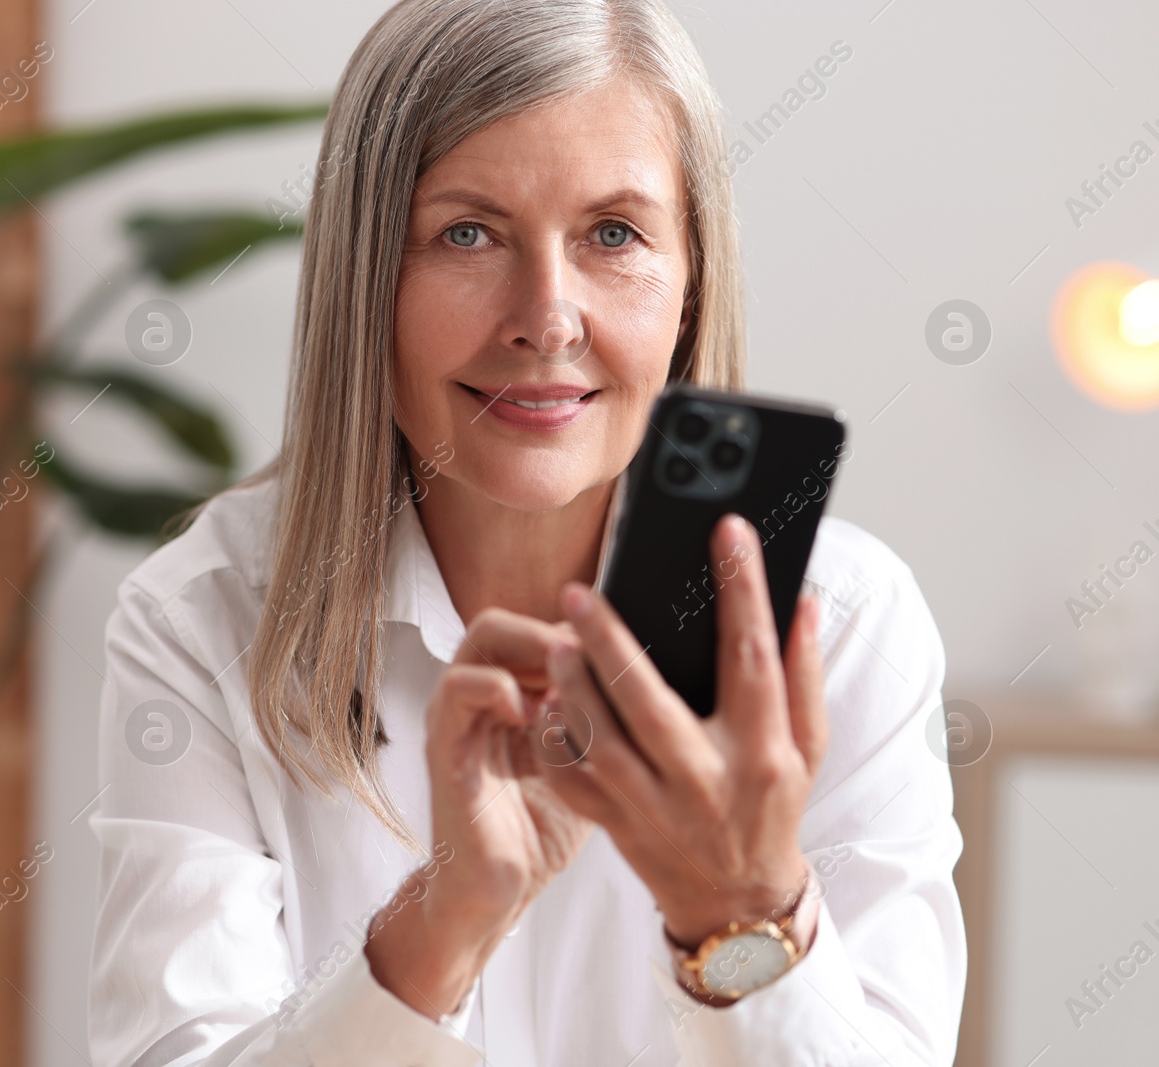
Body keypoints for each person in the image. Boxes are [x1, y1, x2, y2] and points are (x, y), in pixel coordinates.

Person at [86, 0, 965, 1063]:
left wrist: (737, 911)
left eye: (613, 234)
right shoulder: (205, 618)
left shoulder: (844, 628)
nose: (546, 318)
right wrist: (443, 921)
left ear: (688, 281)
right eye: (467, 231)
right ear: (367, 282)